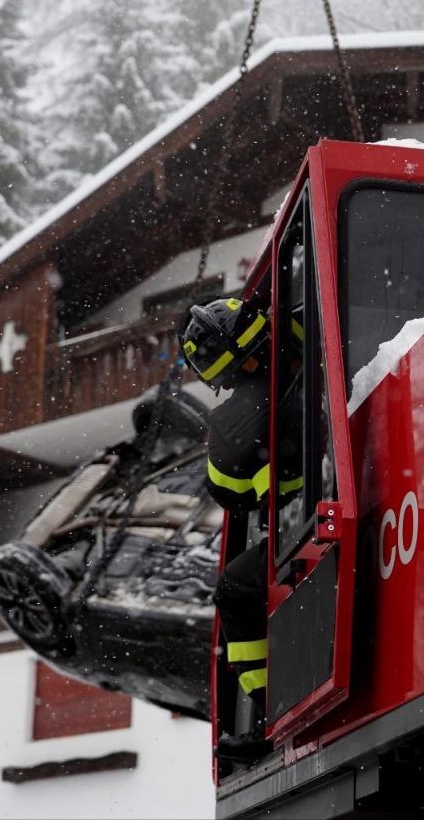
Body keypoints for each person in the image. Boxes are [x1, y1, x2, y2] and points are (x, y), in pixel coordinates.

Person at [177, 297, 302, 761]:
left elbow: (228, 493)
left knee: (236, 588)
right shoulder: (309, 329)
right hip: (349, 491)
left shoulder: (234, 423)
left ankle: (272, 710)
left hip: (303, 527)